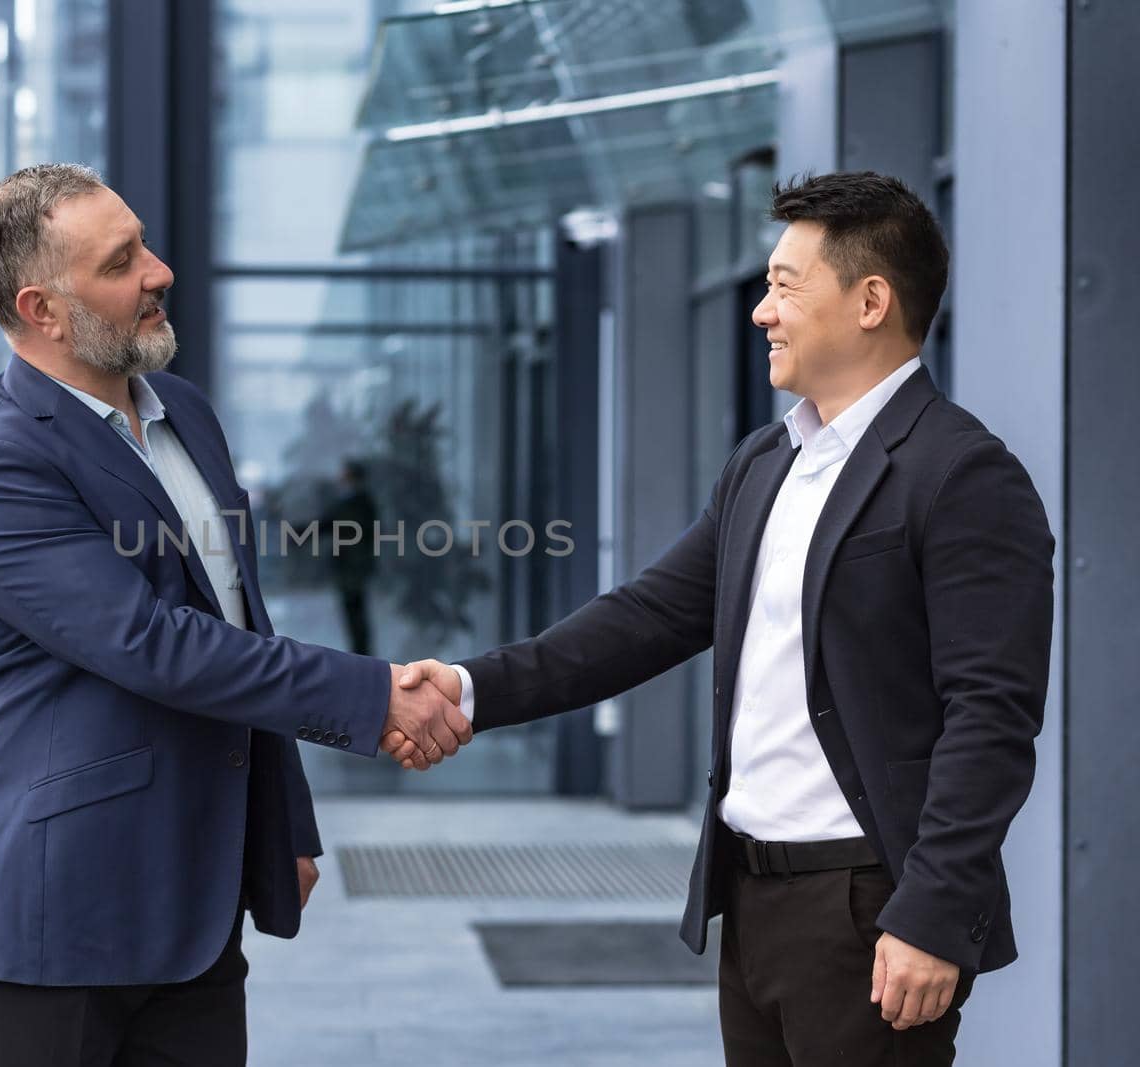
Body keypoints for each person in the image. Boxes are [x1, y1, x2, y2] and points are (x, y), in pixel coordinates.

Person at [390, 172, 1054, 1066]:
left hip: (868, 909)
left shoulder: (962, 474)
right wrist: (473, 687)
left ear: (870, 301)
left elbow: (993, 717)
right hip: (751, 895)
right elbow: (649, 615)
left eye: (785, 285)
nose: (761, 312)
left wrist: (932, 914)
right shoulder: (767, 462)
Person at [0, 163, 469, 1067]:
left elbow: (237, 620)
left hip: (194, 899)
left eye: (144, 243)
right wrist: (374, 696)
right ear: (43, 309)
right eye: (122, 260)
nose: (159, 270)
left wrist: (282, 820)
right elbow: (152, 643)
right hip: (53, 916)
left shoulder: (185, 414)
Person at [321, 459, 380, 655]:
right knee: (353, 612)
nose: (340, 478)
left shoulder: (359, 503)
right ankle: (361, 654)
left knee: (355, 613)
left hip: (354, 567)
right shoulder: (354, 502)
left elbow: (335, 524)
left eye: (344, 475)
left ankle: (362, 654)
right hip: (351, 567)